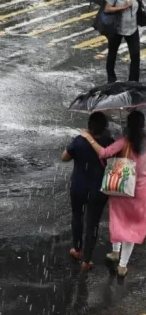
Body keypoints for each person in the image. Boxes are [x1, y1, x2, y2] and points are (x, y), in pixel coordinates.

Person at [81, 111, 146, 277]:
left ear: (128, 125)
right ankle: (123, 266)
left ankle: (115, 251)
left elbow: (103, 153)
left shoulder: (123, 141)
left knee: (118, 220)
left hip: (121, 187)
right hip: (140, 192)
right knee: (132, 227)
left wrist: (88, 137)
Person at [63, 112, 114, 270]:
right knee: (92, 223)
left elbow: (64, 157)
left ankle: (76, 249)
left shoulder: (79, 140)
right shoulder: (109, 142)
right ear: (105, 127)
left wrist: (83, 139)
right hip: (98, 190)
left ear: (89, 126)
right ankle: (86, 260)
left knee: (77, 217)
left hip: (78, 187)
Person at [104, 0, 141, 83]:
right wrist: (123, 6)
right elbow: (107, 8)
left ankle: (133, 81)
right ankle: (111, 78)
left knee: (135, 56)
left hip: (132, 28)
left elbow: (138, 7)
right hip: (117, 29)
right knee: (112, 54)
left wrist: (140, 0)